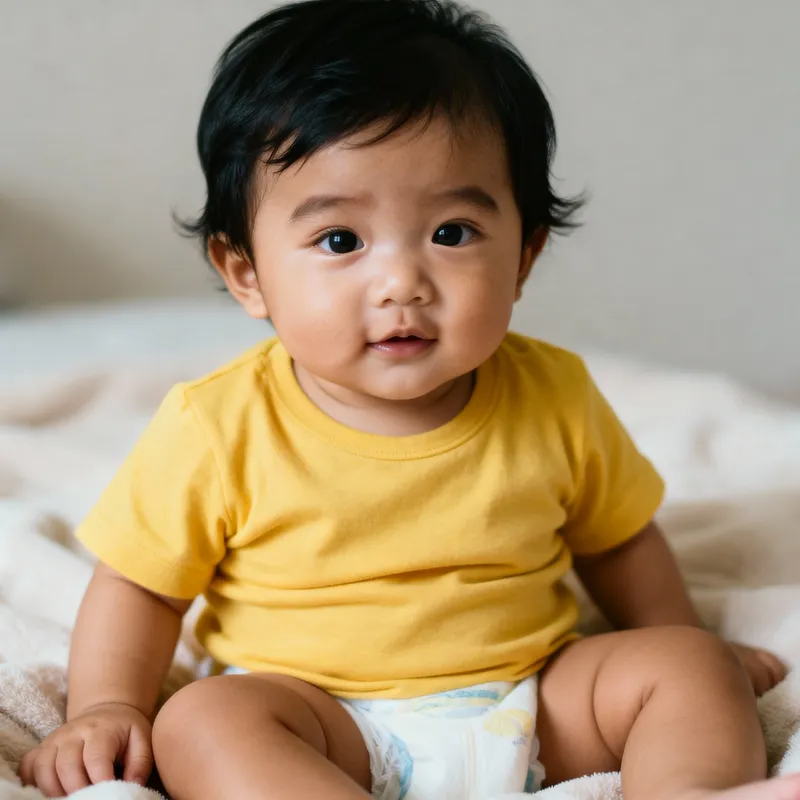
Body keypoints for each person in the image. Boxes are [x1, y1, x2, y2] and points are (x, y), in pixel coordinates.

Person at [20, 1, 795, 798]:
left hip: (533, 704)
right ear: (246, 271)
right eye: (340, 241)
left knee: (687, 664)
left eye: (452, 233)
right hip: (321, 721)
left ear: (525, 255)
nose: (401, 285)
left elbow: (619, 541)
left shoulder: (554, 394)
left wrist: (677, 634)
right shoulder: (218, 425)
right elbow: (141, 586)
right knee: (202, 724)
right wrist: (105, 705)